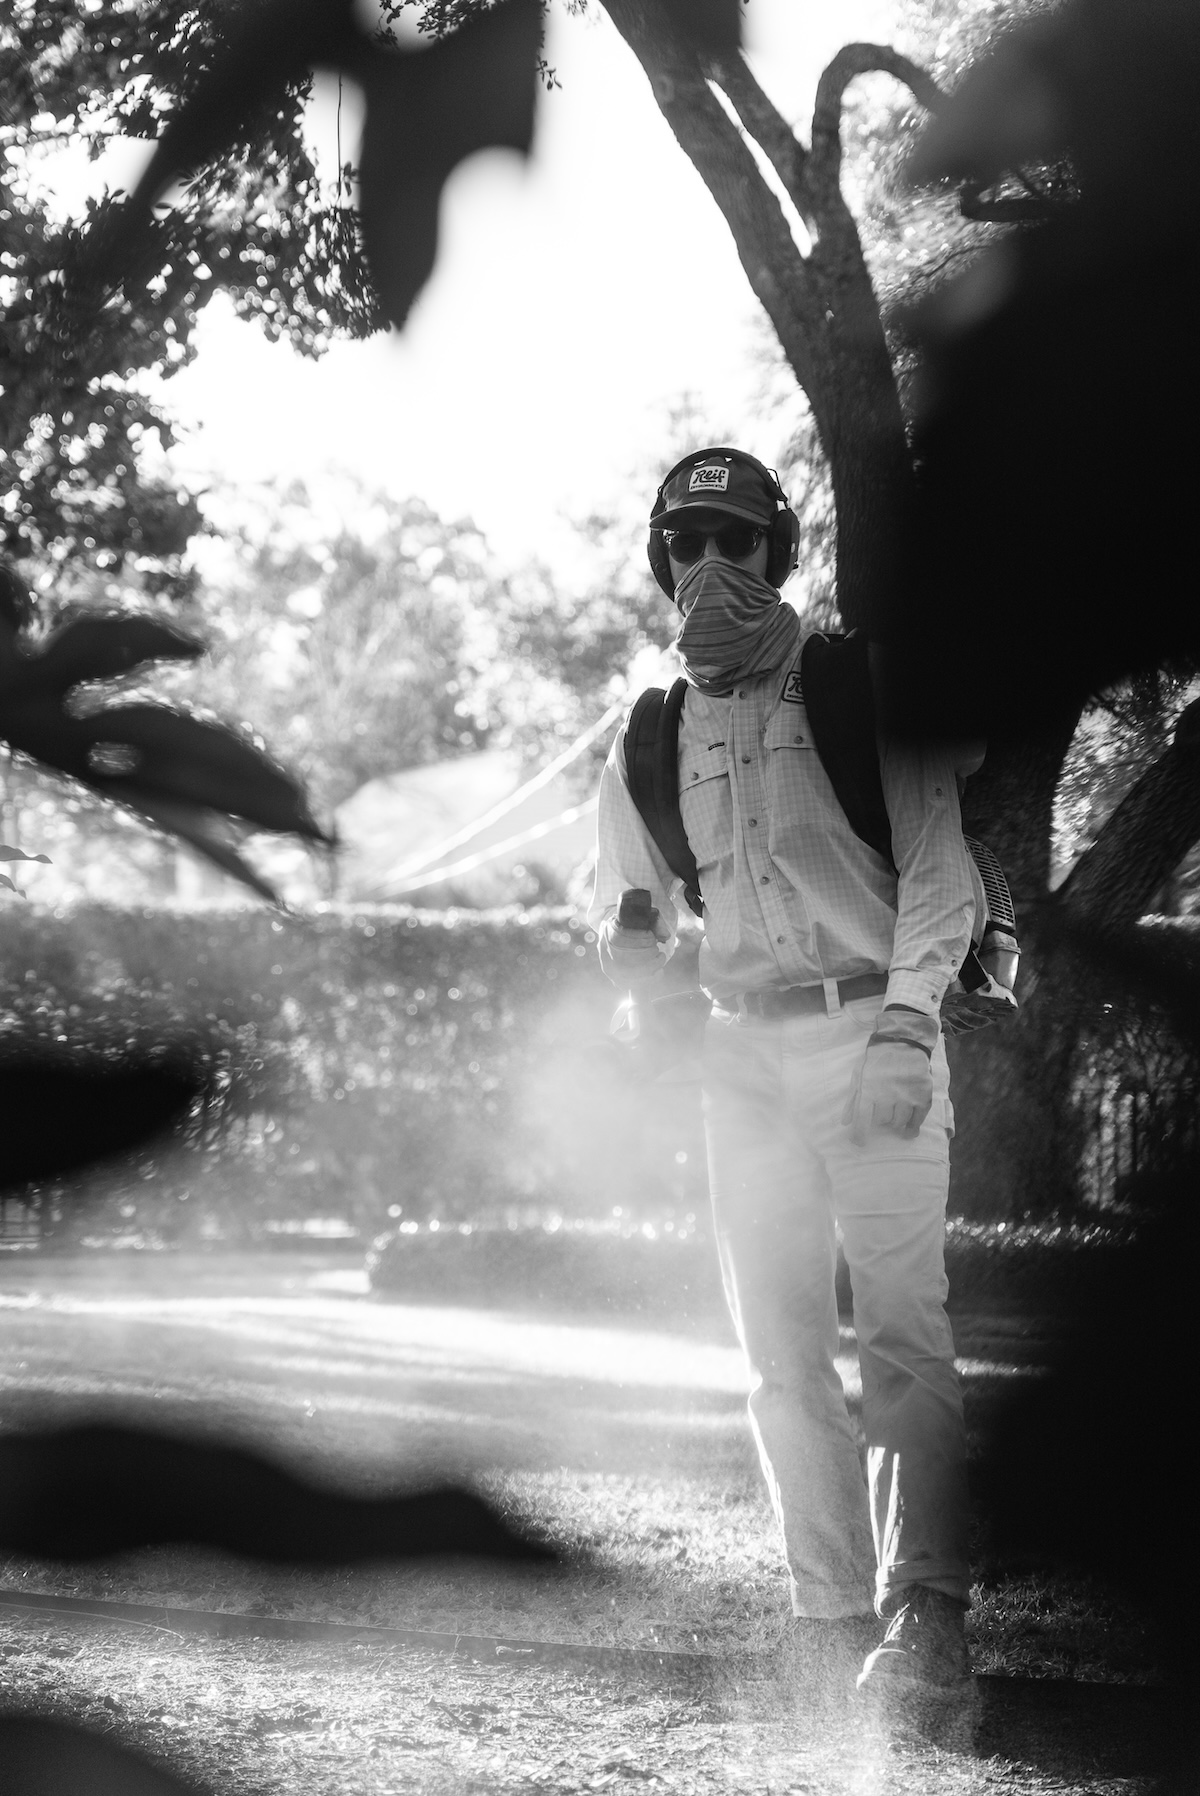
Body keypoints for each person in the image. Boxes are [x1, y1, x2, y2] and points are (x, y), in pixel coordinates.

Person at [588, 447, 978, 1715]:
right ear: (662, 565)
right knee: (780, 1350)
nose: (709, 564)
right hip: (740, 1057)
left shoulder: (862, 687)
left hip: (874, 1031)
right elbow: (630, 907)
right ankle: (830, 1613)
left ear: (776, 551)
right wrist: (643, 993)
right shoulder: (651, 733)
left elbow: (938, 873)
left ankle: (929, 1618)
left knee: (906, 1333)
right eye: (684, 544)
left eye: (733, 539)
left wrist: (911, 1025)